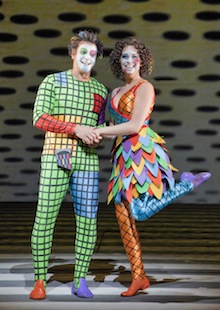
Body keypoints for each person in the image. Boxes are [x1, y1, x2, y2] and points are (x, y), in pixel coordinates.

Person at [92, 37, 211, 297]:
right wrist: (94, 134)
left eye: (135, 56)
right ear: (118, 61)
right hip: (121, 155)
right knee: (123, 218)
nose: (130, 61)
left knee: (139, 212)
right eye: (125, 56)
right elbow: (115, 131)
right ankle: (139, 277)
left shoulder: (145, 88)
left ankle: (185, 184)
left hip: (141, 152)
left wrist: (98, 130)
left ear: (142, 61)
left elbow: (134, 126)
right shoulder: (115, 93)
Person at [29, 30, 108, 300]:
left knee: (88, 222)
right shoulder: (52, 81)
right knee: (45, 218)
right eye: (83, 52)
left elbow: (97, 126)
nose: (88, 57)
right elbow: (39, 118)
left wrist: (97, 137)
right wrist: (76, 128)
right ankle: (40, 280)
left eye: (93, 54)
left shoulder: (100, 90)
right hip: (56, 156)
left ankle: (80, 279)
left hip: (87, 161)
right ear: (73, 53)